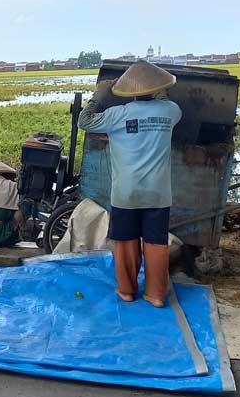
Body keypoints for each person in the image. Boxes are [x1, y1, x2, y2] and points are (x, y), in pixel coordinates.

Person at [78, 61, 182, 307]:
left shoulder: (117, 115)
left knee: (125, 242)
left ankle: (126, 290)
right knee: (156, 244)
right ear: (158, 88)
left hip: (126, 193)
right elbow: (166, 102)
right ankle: (156, 295)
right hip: (158, 194)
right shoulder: (171, 112)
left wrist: (98, 96)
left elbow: (84, 121)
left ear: (130, 91)